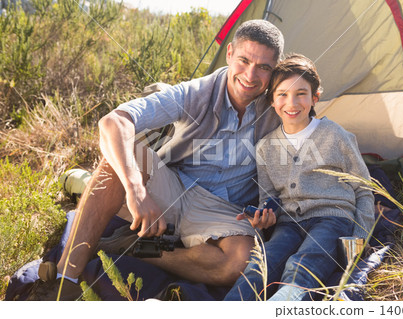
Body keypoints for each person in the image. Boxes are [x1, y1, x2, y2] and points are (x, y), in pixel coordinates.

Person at [27, 19, 284, 300]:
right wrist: (136, 189)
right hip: (172, 187)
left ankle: (134, 248)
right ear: (230, 53)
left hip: (223, 211)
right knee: (124, 154)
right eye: (244, 60)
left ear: (275, 69)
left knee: (242, 262)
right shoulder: (195, 93)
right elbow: (114, 121)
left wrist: (270, 208)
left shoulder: (281, 104)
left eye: (263, 67)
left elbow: (298, 162)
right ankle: (66, 278)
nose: (250, 75)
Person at [224, 54, 375, 301]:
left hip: (332, 220)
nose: (291, 102)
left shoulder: (336, 135)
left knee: (301, 267)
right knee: (258, 269)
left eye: (301, 93)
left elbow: (363, 189)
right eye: (282, 94)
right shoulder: (265, 147)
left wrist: (359, 236)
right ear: (272, 101)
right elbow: (269, 197)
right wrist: (264, 217)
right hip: (287, 225)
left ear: (315, 97)